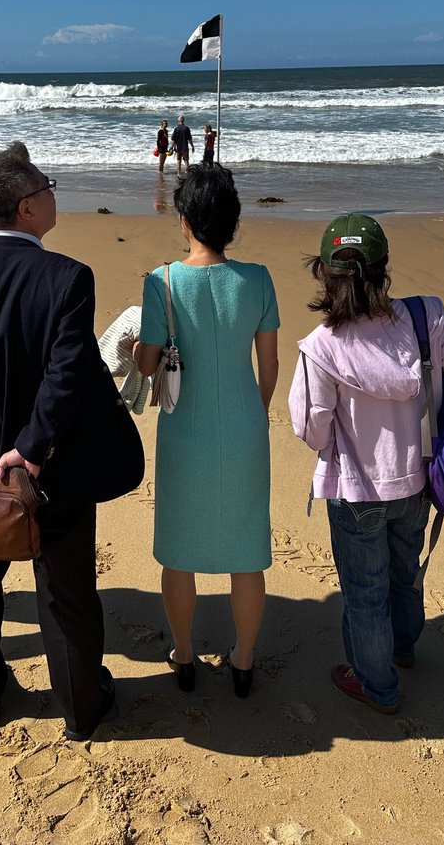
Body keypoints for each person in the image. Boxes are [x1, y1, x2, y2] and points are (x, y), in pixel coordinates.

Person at [0, 143, 144, 740]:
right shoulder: (66, 277)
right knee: (65, 590)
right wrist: (34, 448)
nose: (52, 193)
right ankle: (80, 707)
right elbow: (67, 373)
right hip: (52, 468)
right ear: (24, 209)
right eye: (47, 186)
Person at [289, 212, 444, 714]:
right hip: (420, 479)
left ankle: (376, 685)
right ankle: (403, 648)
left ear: (326, 274)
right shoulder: (427, 319)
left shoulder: (320, 348)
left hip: (356, 490)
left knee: (364, 594)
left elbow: (311, 430)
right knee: (404, 571)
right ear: (384, 269)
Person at [135, 164, 279, 697]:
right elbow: (269, 364)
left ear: (185, 221)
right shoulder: (258, 279)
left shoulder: (163, 281)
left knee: (179, 549)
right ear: (232, 223)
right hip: (244, 424)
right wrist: (254, 410)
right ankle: (243, 658)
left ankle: (185, 651)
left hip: (184, 427)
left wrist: (135, 348)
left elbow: (148, 364)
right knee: (247, 551)